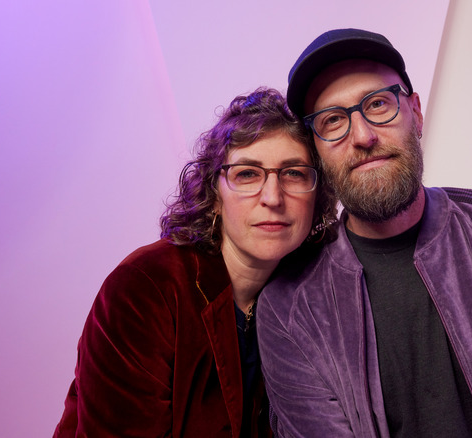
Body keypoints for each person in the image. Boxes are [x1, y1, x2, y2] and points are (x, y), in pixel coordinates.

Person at [257, 29, 472, 437]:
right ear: (316, 150)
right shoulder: (291, 310)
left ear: (416, 112)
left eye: (378, 104)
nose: (362, 136)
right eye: (333, 120)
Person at [53, 88, 337, 437]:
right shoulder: (144, 288)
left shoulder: (305, 294)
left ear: (317, 194)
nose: (273, 197)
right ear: (214, 196)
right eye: (247, 174)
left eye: (293, 173)